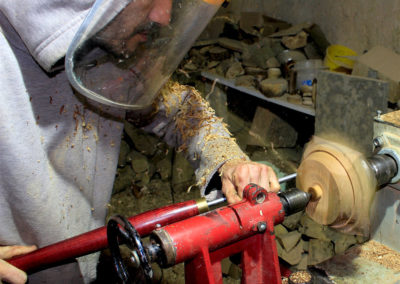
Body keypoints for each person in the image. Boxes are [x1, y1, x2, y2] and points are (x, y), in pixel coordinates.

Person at [0, 0, 280, 283]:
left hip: (80, 257)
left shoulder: (105, 45)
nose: (164, 16)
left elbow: (182, 111)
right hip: (20, 269)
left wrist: (228, 161)